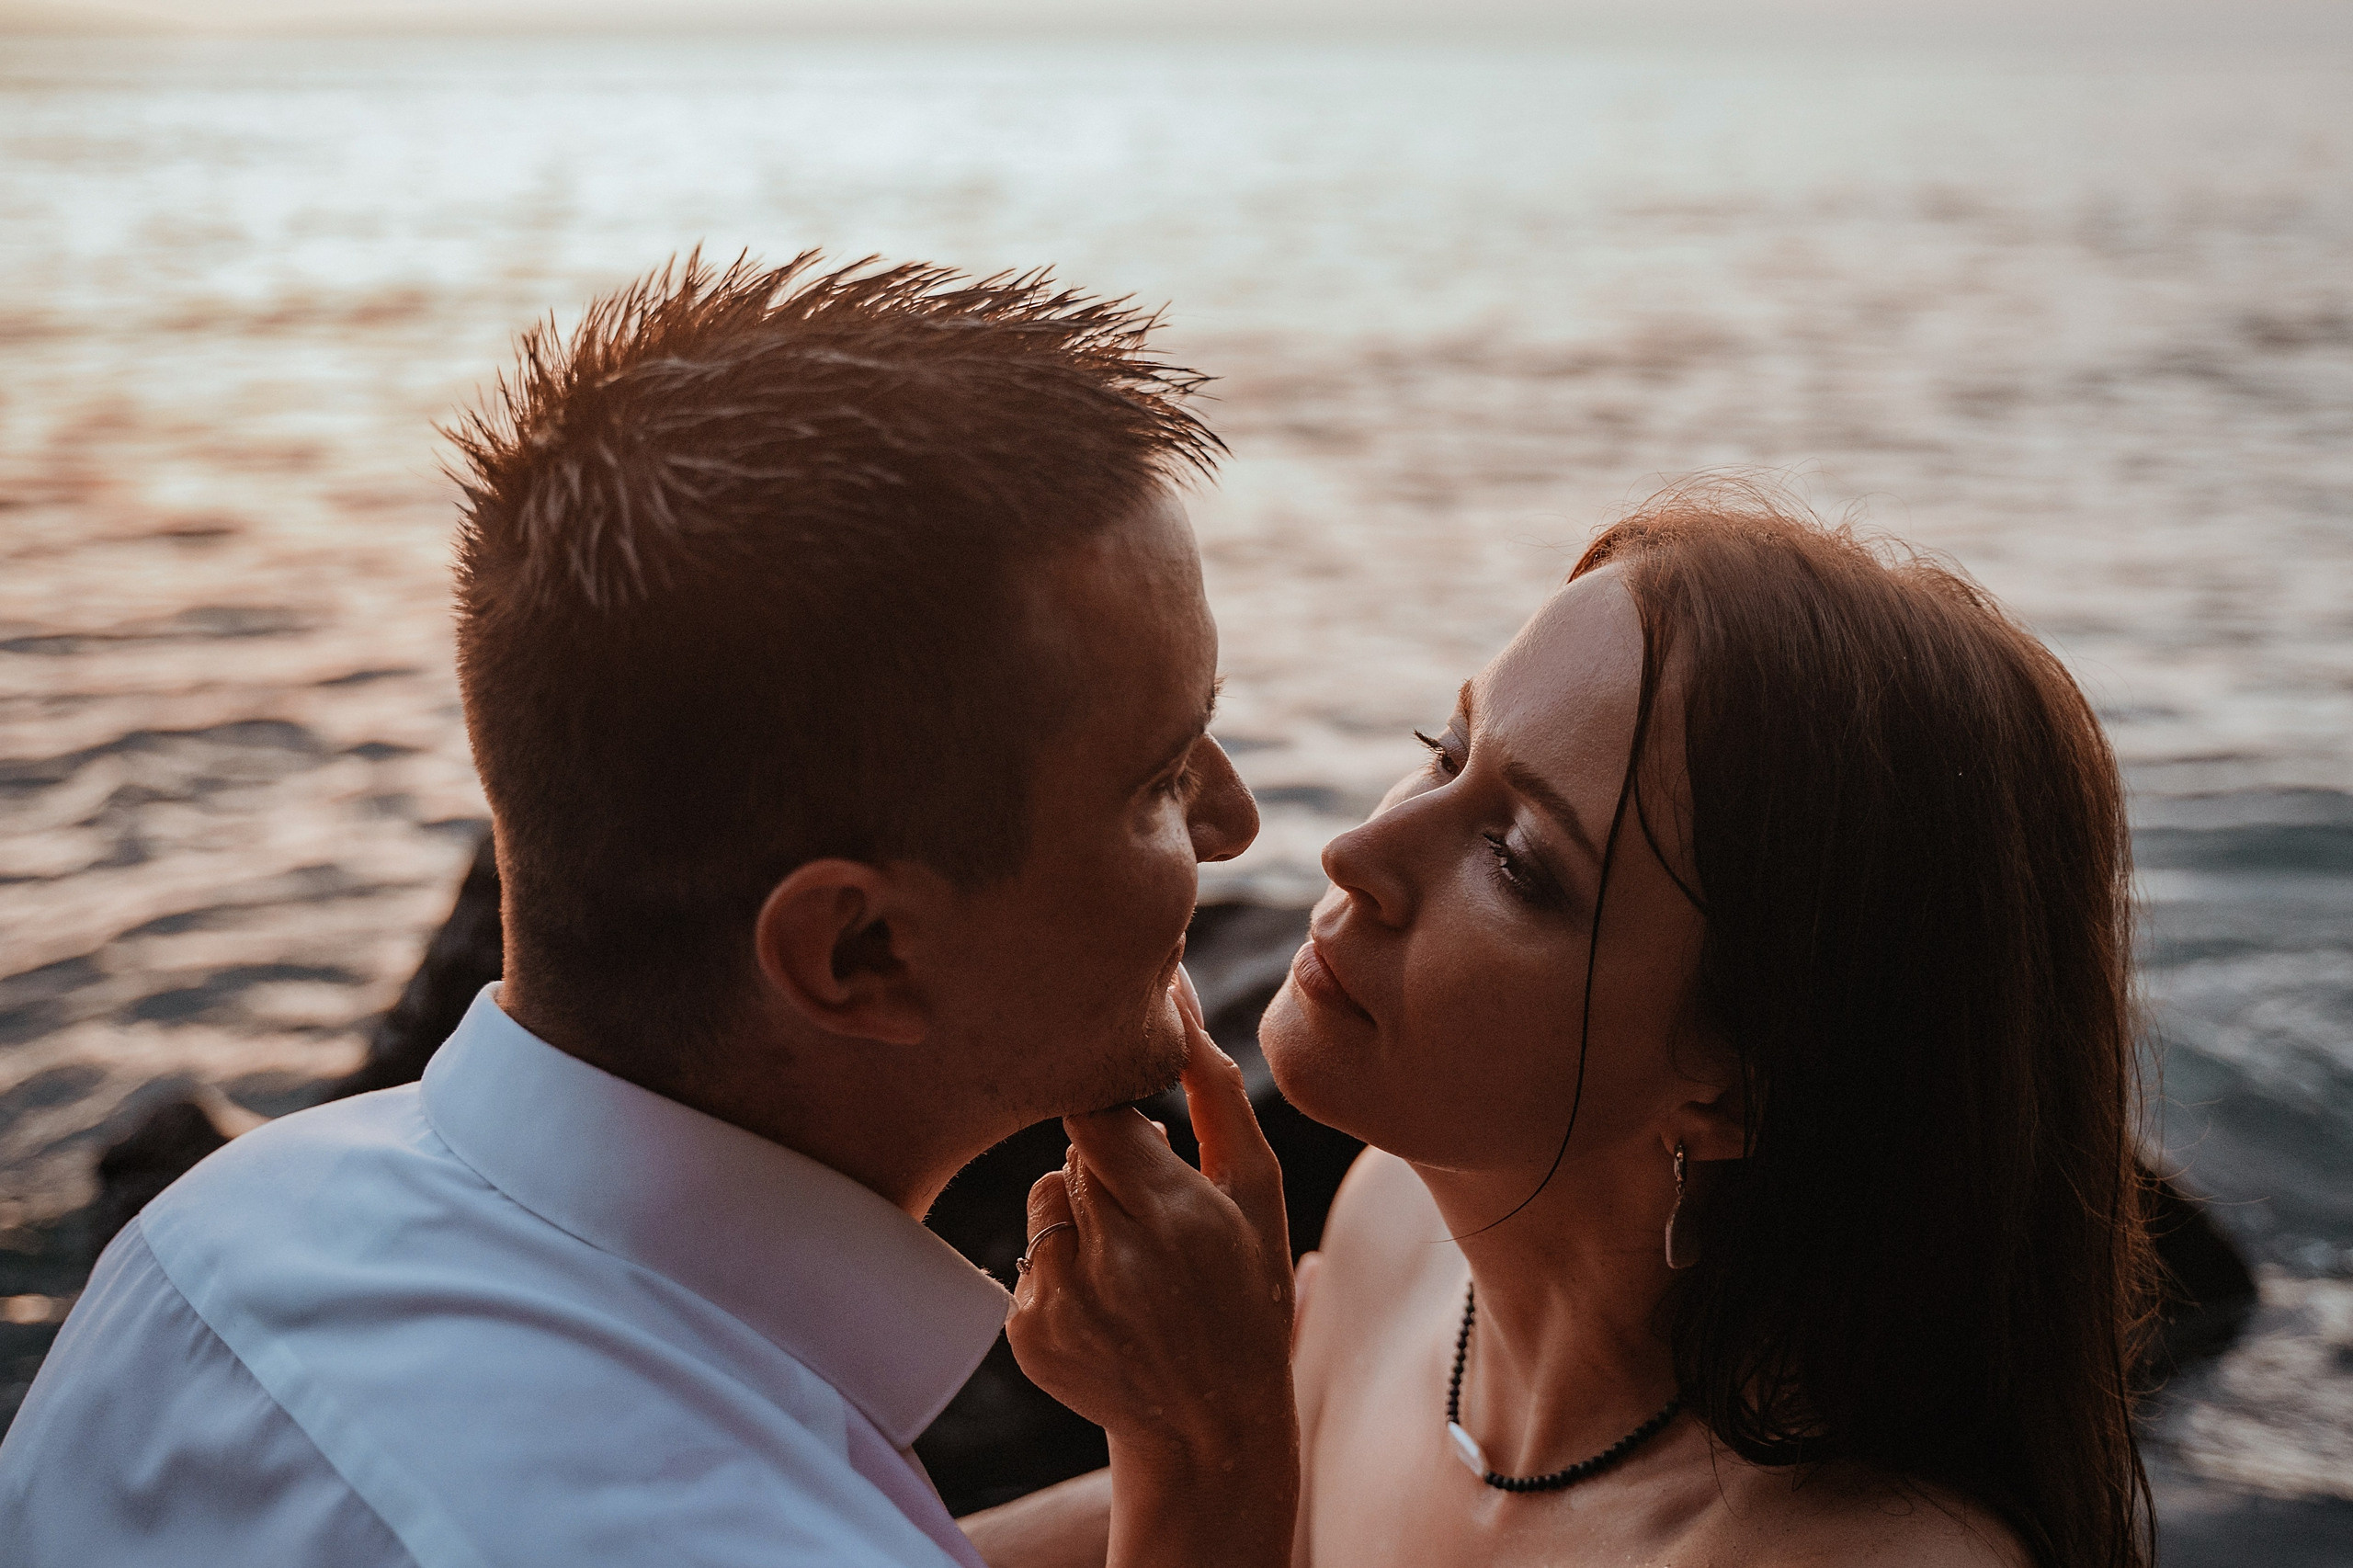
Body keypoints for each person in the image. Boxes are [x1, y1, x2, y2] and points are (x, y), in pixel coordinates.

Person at [0, 254, 1301, 1568]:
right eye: (1160, 775)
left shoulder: (202, 1239)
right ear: (860, 950)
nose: (1233, 822)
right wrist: (1223, 1453)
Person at [970, 486, 2156, 1568]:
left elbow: (1216, 1505)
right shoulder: (1393, 1236)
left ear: (1733, 1091)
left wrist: (1198, 1438)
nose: (1356, 854)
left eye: (1519, 859)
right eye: (1444, 749)